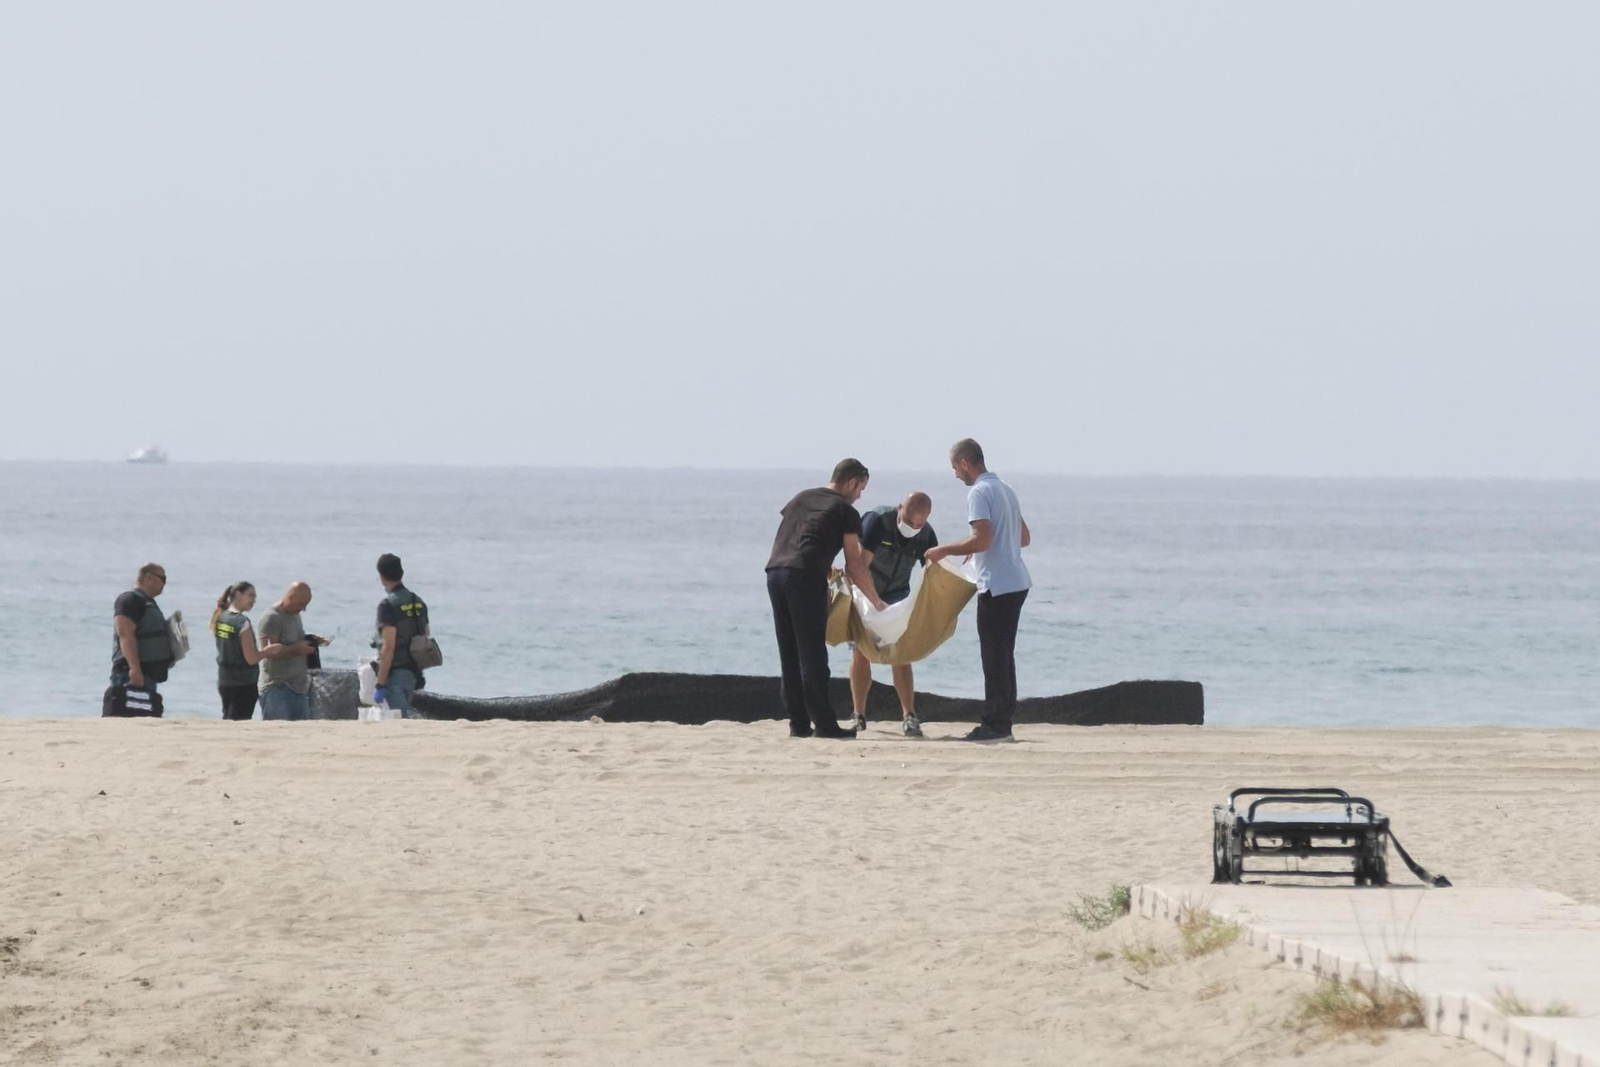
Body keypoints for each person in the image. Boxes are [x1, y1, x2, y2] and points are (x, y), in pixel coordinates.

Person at [765, 459, 887, 740]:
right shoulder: (845, 510)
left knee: (790, 651)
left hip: (775, 572)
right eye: (861, 489)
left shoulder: (802, 497)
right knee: (812, 654)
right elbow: (855, 564)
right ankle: (824, 724)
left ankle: (797, 723)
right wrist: (877, 603)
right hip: (804, 576)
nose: (860, 496)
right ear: (852, 482)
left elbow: (798, 534)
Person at [924, 439, 1032, 741]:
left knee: (994, 656)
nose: (956, 475)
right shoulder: (1006, 490)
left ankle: (995, 725)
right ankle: (1003, 720)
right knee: (1004, 655)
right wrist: (981, 548)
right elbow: (1023, 537)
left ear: (964, 463)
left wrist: (944, 549)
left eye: (955, 469)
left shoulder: (979, 492)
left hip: (996, 585)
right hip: (1017, 581)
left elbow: (982, 539)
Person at [847, 492, 937, 737]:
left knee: (901, 653)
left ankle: (909, 715)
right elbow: (858, 565)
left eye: (919, 524)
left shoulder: (926, 534)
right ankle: (858, 715)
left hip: (898, 593)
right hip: (865, 590)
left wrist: (926, 611)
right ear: (900, 509)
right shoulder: (878, 521)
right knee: (861, 651)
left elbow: (933, 573)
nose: (913, 528)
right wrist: (874, 602)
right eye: (909, 523)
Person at [107, 562, 175, 717]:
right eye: (162, 579)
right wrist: (134, 668)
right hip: (130, 675)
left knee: (145, 717)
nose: (164, 583)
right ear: (148, 577)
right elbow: (125, 633)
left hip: (148, 675)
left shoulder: (149, 602)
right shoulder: (130, 599)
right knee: (126, 717)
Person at [256, 582, 329, 721]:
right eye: (301, 604)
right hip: (277, 687)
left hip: (299, 688)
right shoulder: (271, 617)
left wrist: (312, 640)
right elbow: (268, 652)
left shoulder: (295, 614)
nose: (304, 609)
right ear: (290, 597)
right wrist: (295, 649)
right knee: (277, 734)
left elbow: (294, 638)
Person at [372, 553, 430, 719]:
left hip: (395, 673)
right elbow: (426, 637)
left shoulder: (387, 605)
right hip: (414, 673)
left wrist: (380, 683)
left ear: (382, 577)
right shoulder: (417, 601)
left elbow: (388, 647)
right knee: (405, 718)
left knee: (396, 721)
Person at [209, 581, 264, 721]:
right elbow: (251, 658)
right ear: (238, 595)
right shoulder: (242, 622)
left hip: (225, 680)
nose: (254, 601)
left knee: (228, 717)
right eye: (251, 595)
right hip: (243, 683)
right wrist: (269, 651)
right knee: (239, 721)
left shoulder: (221, 617)